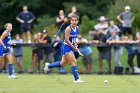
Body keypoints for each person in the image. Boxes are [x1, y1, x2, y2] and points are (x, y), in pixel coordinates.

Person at [44, 15, 85, 83]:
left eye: (75, 20)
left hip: (71, 46)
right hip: (66, 47)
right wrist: (73, 47)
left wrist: (75, 44)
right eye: (72, 20)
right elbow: (66, 40)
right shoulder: (68, 28)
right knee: (74, 61)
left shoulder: (77, 28)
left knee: (63, 64)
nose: (74, 21)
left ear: (78, 21)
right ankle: (76, 79)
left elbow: (74, 39)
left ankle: (48, 66)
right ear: (70, 21)